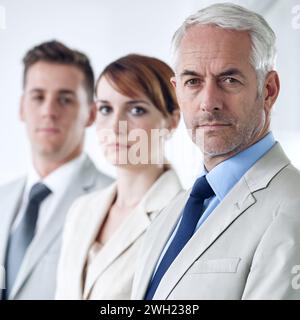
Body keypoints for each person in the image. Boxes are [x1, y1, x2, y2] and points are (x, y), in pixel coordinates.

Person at [131, 3, 300, 300]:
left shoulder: (292, 208)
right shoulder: (170, 213)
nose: (208, 102)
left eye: (229, 80)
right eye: (193, 81)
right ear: (177, 91)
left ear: (269, 90)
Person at [55, 54, 183, 300]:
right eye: (106, 109)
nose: (115, 126)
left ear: (172, 121)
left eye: (136, 109)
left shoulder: (184, 218)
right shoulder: (80, 211)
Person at [0, 41, 113, 300]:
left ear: (91, 113)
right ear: (21, 107)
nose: (49, 111)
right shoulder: (2, 198)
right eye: (38, 97)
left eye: (65, 99)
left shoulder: (114, 200)